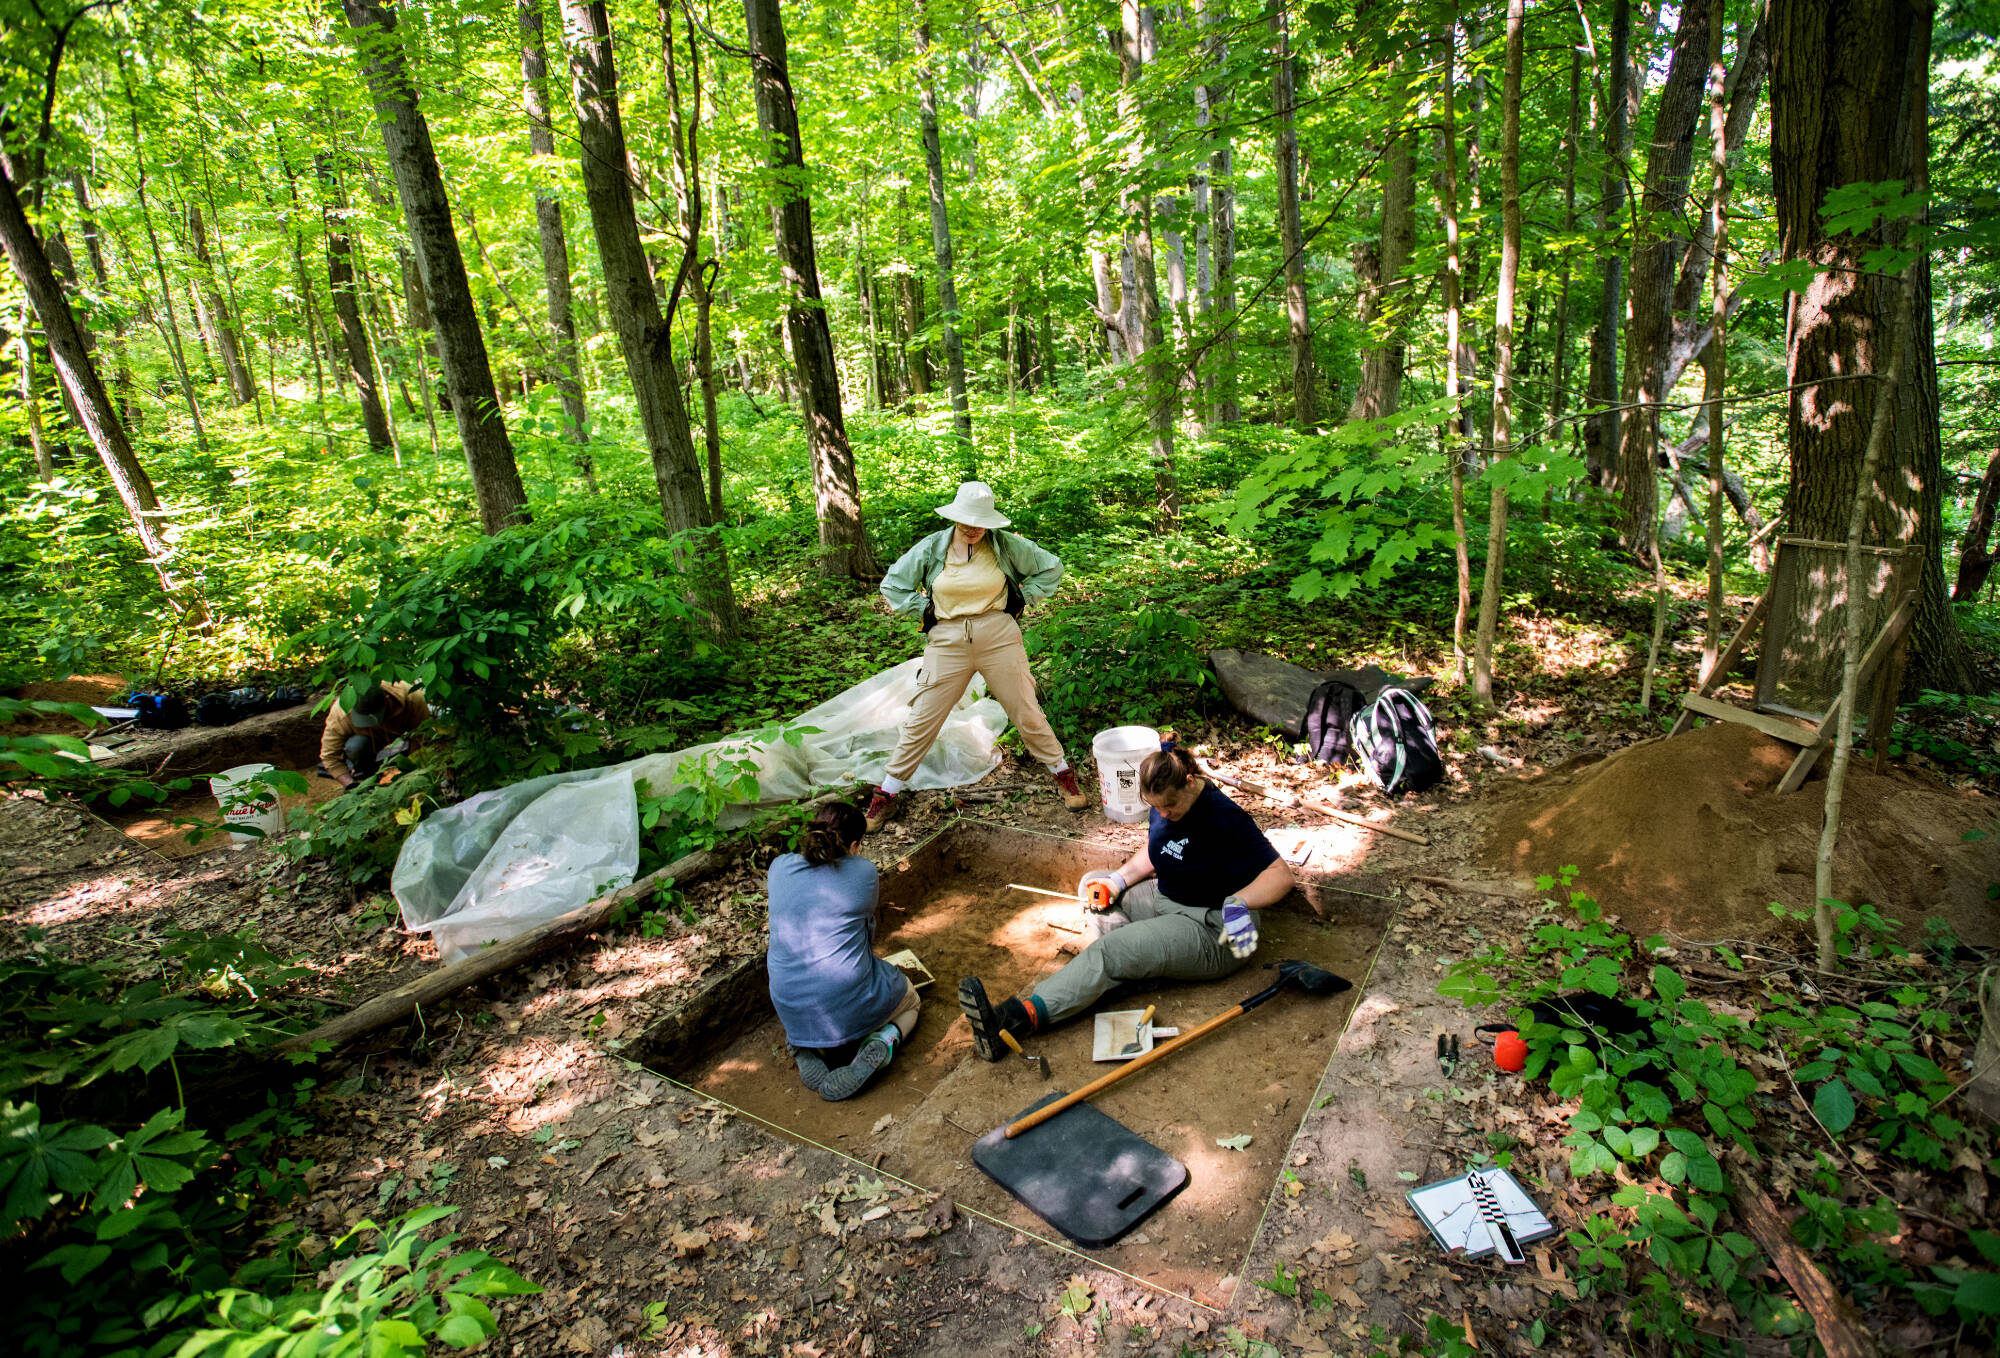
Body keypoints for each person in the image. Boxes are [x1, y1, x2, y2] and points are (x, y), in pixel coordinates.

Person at [958, 745, 1295, 1058]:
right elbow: (1160, 848)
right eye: (1155, 807)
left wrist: (1239, 902)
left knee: (1111, 951)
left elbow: (1280, 875)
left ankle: (1016, 1019)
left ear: (1189, 783)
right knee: (1093, 884)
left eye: (1170, 806)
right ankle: (1137, 967)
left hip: (1211, 928)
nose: (1163, 812)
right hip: (1167, 897)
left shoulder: (1224, 817)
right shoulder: (1166, 799)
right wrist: (1117, 882)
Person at [868, 481, 1088, 832]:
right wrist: (923, 610)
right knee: (923, 717)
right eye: (966, 521)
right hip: (948, 640)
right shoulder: (932, 548)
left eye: (980, 522)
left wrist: (1022, 598)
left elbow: (1051, 567)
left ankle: (1062, 774)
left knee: (1025, 709)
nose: (972, 528)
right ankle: (887, 794)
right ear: (954, 517)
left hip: (999, 636)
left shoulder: (1004, 545)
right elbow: (893, 584)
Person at [766, 801, 922, 1101]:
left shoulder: (780, 867)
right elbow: (865, 934)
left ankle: (802, 1047)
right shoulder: (863, 871)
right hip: (845, 1003)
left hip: (788, 1001)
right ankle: (884, 1040)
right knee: (912, 1001)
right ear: (855, 844)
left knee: (806, 996)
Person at [320, 679, 430, 790]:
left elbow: (422, 737)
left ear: (386, 700)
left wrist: (411, 771)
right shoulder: (340, 714)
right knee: (355, 746)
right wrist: (352, 787)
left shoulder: (412, 697)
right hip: (366, 742)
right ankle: (367, 776)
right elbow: (330, 757)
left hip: (403, 737)